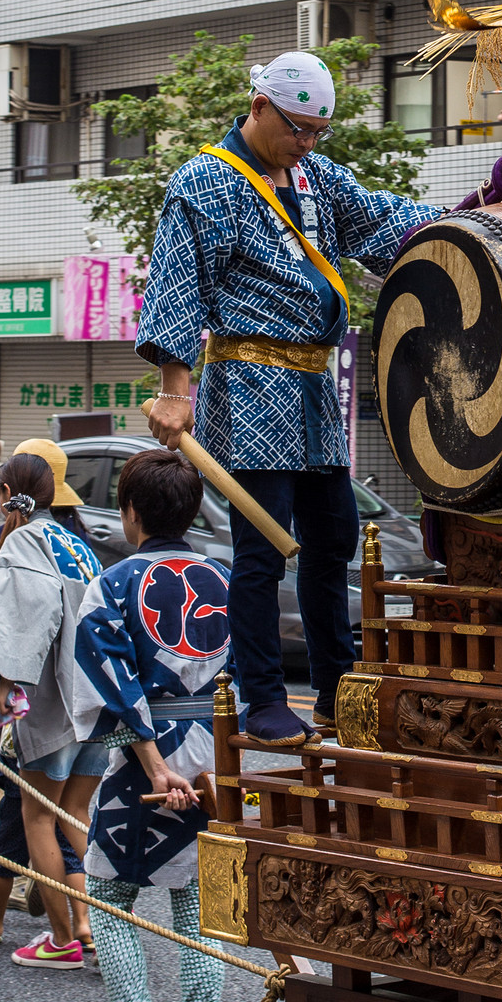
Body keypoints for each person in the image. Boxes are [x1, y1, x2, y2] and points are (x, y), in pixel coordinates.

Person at [137, 49, 441, 747]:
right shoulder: (205, 182)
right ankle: (263, 699)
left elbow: (379, 220)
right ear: (259, 108)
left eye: (316, 132)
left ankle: (337, 691)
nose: (305, 142)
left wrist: (471, 222)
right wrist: (174, 391)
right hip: (246, 382)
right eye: (296, 128)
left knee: (331, 537)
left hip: (312, 384)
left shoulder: (316, 175)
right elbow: (179, 285)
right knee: (262, 547)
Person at [69, 448, 232, 1002]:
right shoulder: (228, 580)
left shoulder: (112, 584)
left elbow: (108, 681)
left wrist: (154, 764)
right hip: (213, 759)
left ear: (130, 510)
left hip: (146, 759)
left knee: (111, 902)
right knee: (198, 911)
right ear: (191, 511)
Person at [0, 453, 104, 970]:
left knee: (37, 814)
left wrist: (4, 684)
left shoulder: (23, 541)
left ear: (9, 489)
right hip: (94, 699)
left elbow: (30, 619)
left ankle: (61, 940)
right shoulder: (75, 543)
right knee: (75, 815)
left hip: (52, 699)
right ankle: (92, 925)